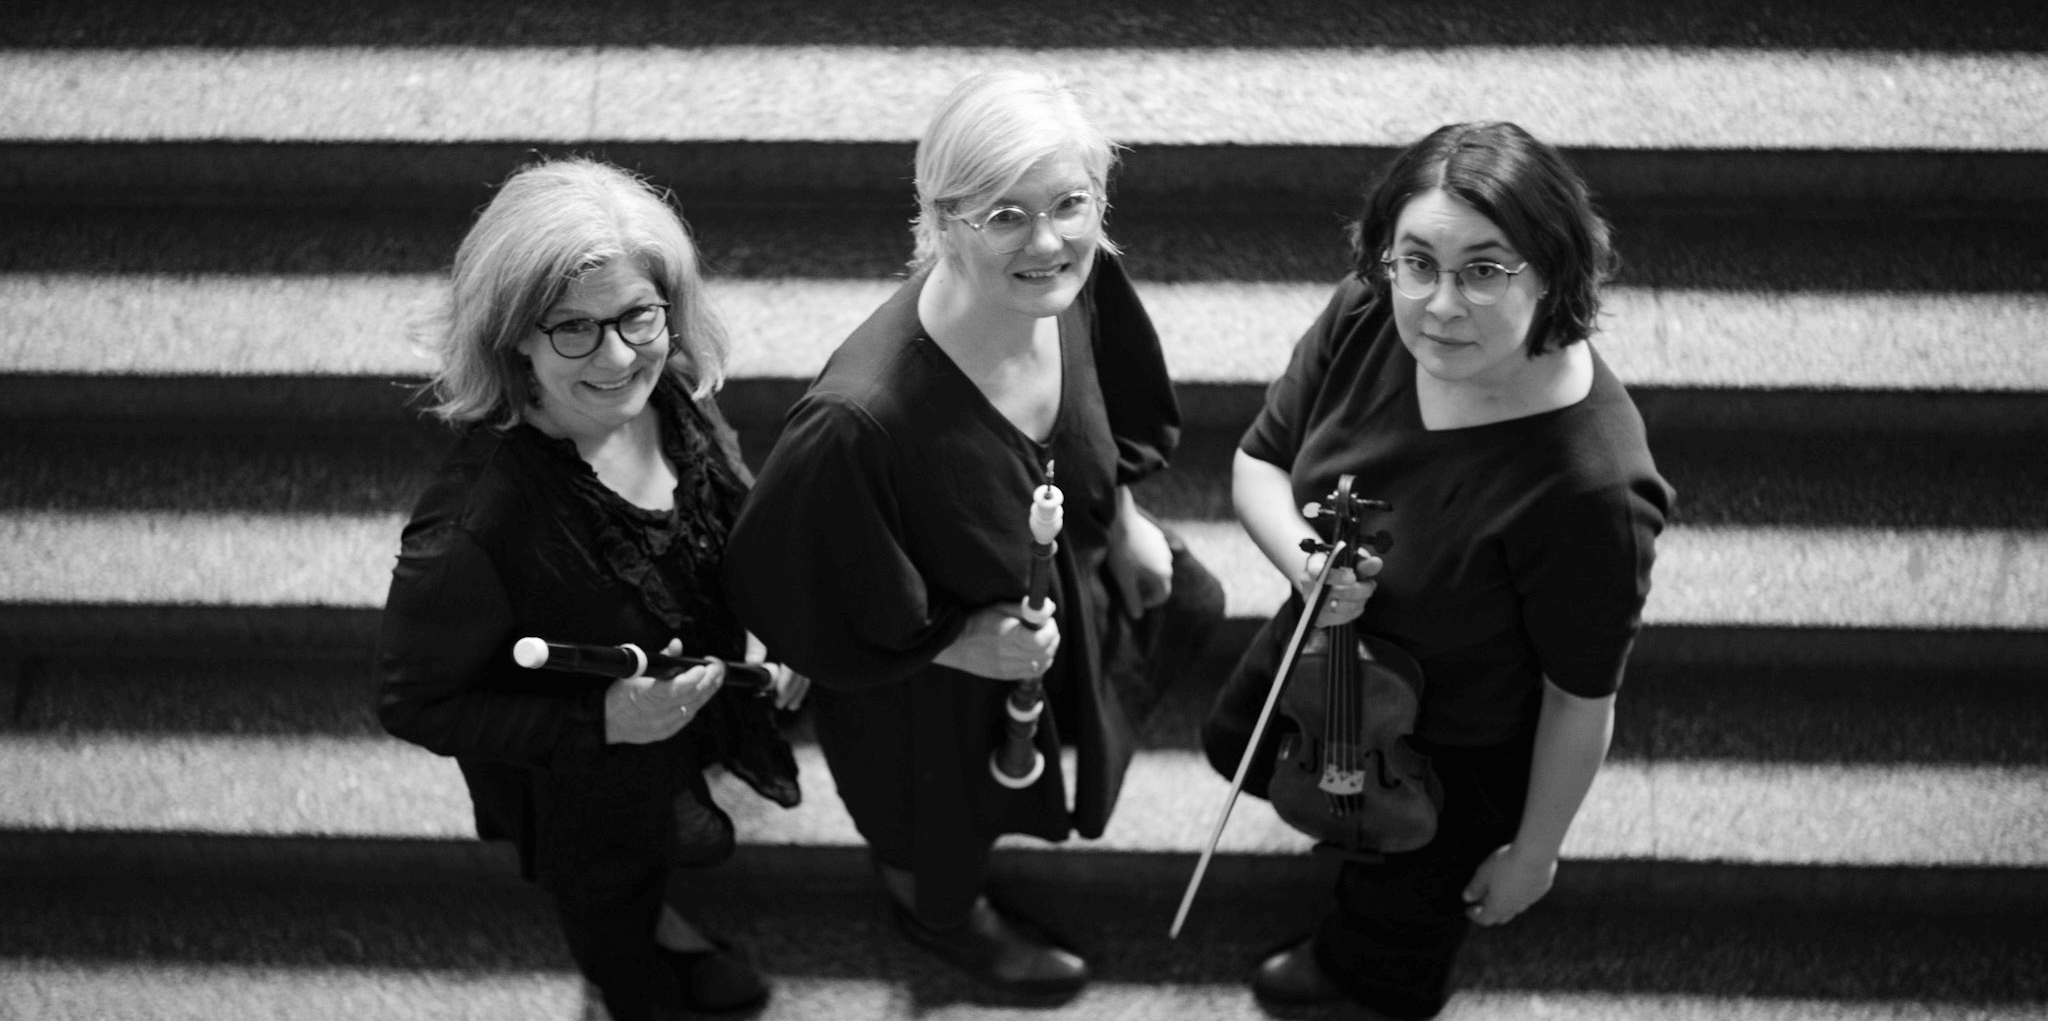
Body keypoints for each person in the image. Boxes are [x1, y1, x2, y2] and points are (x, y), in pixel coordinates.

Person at [723, 70, 1220, 999]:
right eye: (1005, 215)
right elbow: (791, 592)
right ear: (943, 220)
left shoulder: (1070, 284)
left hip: (1053, 595)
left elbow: (1101, 413)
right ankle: (936, 918)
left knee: (1184, 601)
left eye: (1070, 202)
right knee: (935, 824)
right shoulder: (858, 420)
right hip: (922, 680)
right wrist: (956, 643)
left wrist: (1120, 521)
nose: (1049, 240)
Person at [1203, 122, 1674, 1019]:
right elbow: (1259, 462)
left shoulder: (1593, 488)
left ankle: (1364, 982)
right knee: (1243, 747)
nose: (1440, 306)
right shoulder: (1369, 309)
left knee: (1403, 913)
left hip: (1453, 743)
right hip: (1325, 655)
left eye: (1484, 270)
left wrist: (1534, 853)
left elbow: (1580, 699)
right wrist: (1309, 565)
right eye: (1417, 262)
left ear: (1553, 270)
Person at [374, 157, 809, 1021]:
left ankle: (666, 927)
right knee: (611, 897)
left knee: (658, 845)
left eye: (637, 315)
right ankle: (635, 981)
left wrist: (779, 621)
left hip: (679, 708)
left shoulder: (670, 391)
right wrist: (602, 719)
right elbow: (410, 703)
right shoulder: (471, 529)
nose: (617, 357)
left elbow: (737, 511)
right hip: (579, 771)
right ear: (514, 337)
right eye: (572, 327)